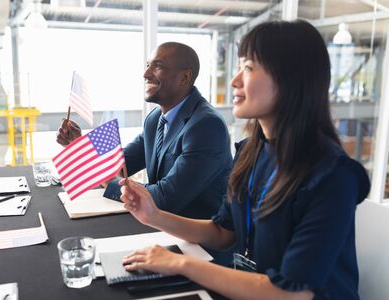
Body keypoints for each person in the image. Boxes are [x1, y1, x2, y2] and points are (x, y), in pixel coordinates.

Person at [119, 20, 370, 299]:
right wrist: (153, 215)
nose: (235, 80)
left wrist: (181, 263)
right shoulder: (252, 150)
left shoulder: (333, 175)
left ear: (290, 79)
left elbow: (291, 293)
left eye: (248, 68)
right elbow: (223, 231)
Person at [57, 42, 232, 220]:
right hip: (160, 225)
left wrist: (107, 180)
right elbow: (121, 164)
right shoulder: (156, 118)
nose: (145, 74)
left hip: (197, 240)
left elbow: (164, 198)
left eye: (158, 66)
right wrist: (80, 145)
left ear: (185, 78)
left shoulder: (206, 126)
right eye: (148, 65)